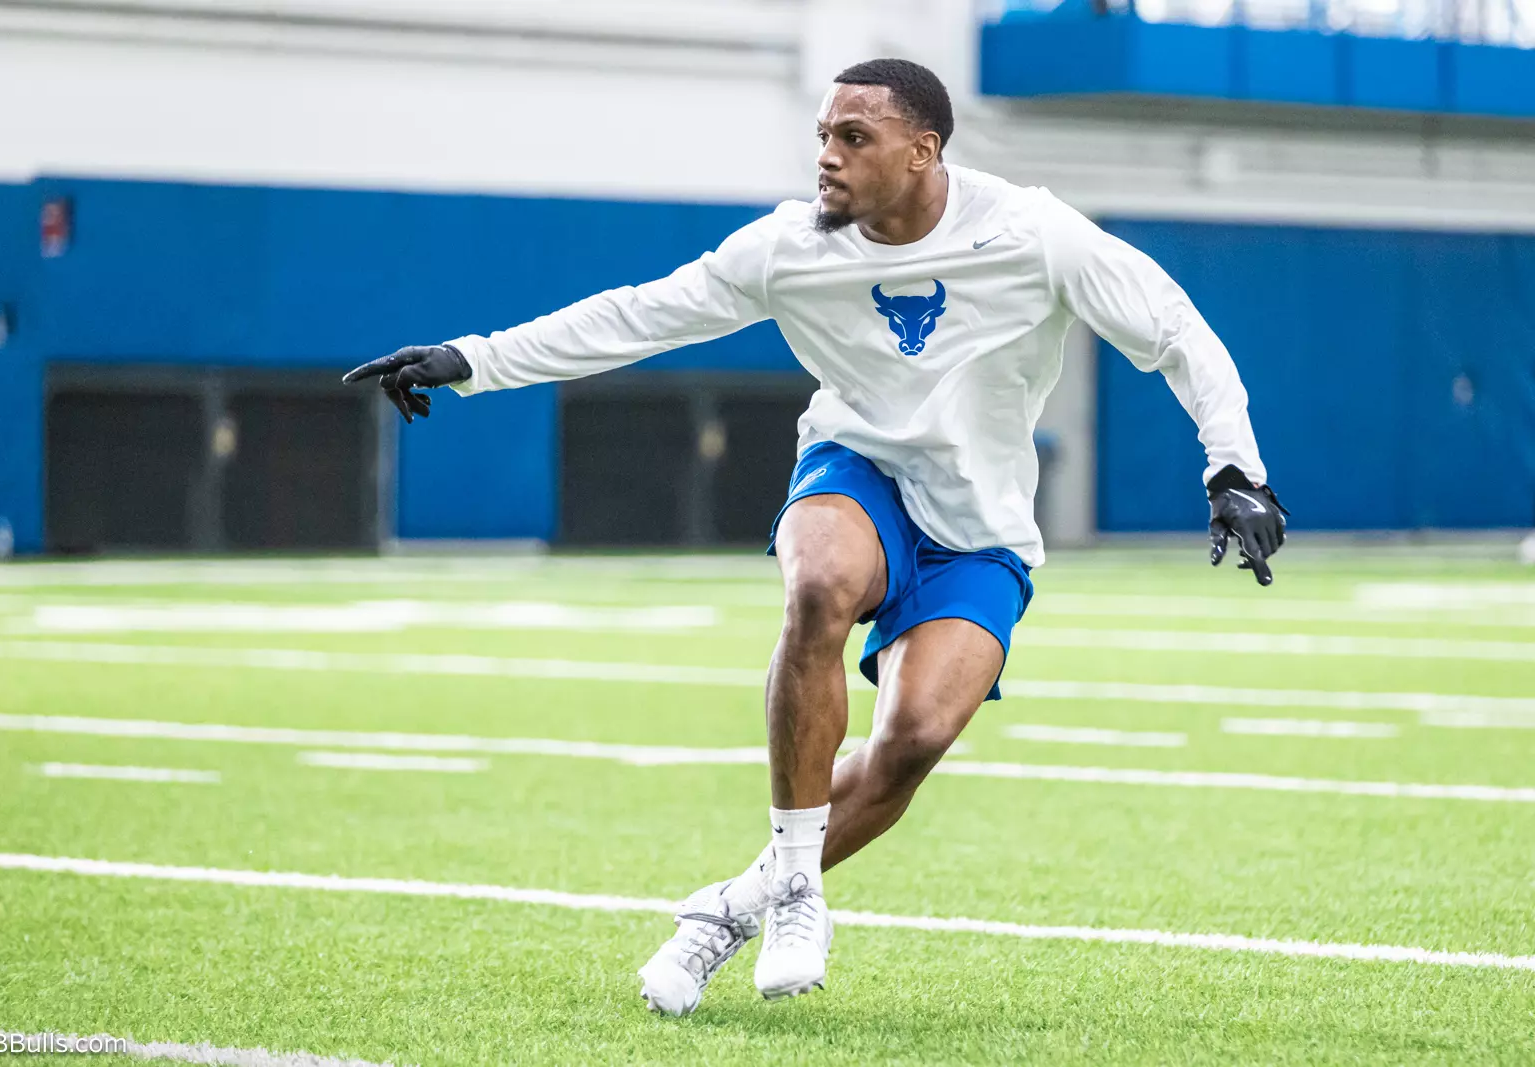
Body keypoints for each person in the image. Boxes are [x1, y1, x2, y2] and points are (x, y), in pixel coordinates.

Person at [344, 57, 1287, 1015]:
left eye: (854, 138)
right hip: (857, 467)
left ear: (924, 152)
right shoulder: (788, 245)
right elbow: (638, 316)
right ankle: (799, 888)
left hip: (980, 524)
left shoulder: (1032, 233)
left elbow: (1175, 330)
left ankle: (739, 901)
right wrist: (474, 360)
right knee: (821, 584)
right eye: (824, 136)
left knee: (910, 742)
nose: (826, 158)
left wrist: (1235, 471)